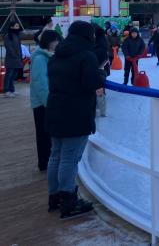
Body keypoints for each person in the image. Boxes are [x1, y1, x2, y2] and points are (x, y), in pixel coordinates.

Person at [46, 20, 106, 219]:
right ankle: (68, 200)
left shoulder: (57, 55)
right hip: (75, 113)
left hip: (55, 110)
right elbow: (93, 82)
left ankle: (54, 196)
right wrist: (101, 72)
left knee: (56, 154)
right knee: (70, 158)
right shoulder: (86, 56)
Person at [30, 30, 61, 171]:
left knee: (48, 134)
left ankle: (47, 161)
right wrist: (49, 103)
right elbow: (40, 83)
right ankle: (44, 162)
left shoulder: (48, 57)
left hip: (48, 101)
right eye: (55, 41)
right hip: (42, 103)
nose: (57, 43)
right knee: (43, 134)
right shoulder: (40, 59)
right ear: (48, 42)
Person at [2, 21, 23, 98]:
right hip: (11, 59)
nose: (18, 27)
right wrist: (15, 56)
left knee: (13, 75)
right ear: (11, 27)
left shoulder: (17, 36)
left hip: (18, 59)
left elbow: (19, 47)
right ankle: (6, 91)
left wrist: (20, 56)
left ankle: (12, 90)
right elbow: (9, 48)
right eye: (16, 26)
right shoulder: (7, 36)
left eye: (18, 26)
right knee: (9, 75)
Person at [93, 25, 110, 117]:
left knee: (99, 92)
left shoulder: (99, 44)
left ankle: (101, 111)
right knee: (100, 92)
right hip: (100, 71)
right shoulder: (102, 41)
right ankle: (101, 111)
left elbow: (103, 59)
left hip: (98, 72)